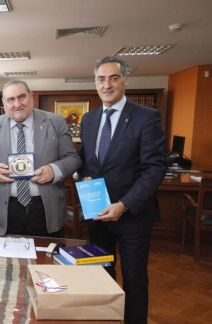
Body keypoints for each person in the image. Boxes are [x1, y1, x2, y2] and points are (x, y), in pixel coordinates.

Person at [78, 56, 167, 324]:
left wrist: (124, 204)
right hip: (98, 215)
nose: (107, 85)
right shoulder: (89, 119)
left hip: (133, 217)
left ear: (126, 80)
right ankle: (106, 319)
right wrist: (83, 177)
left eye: (113, 78)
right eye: (101, 79)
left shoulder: (146, 117)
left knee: (134, 279)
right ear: (95, 83)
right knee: (101, 273)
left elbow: (155, 169)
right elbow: (85, 161)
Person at [0, 80, 81, 237]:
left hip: (46, 208)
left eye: (21, 97)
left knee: (47, 259)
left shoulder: (55, 122)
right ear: (4, 103)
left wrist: (53, 170)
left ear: (31, 97)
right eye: (11, 99)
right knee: (9, 261)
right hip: (6, 209)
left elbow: (73, 158)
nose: (17, 104)